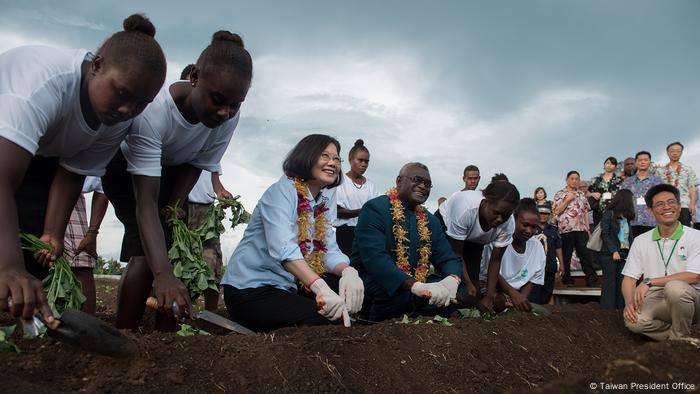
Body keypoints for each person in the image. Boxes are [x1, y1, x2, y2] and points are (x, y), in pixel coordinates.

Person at [0, 14, 166, 322]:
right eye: (122, 93)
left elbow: (73, 171)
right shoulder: (41, 84)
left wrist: (51, 232)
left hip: (38, 156)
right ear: (97, 65)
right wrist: (8, 267)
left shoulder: (115, 120)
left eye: (141, 103)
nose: (128, 109)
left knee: (34, 256)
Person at [102, 31, 253, 330]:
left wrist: (173, 206)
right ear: (195, 77)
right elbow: (145, 204)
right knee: (147, 255)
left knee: (175, 251)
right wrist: (163, 276)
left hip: (174, 168)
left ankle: (166, 340)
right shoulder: (155, 112)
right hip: (125, 169)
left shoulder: (228, 116)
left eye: (235, 105)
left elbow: (198, 162)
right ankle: (123, 333)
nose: (225, 112)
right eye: (218, 100)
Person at [221, 134, 364, 331]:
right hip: (250, 291)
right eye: (325, 156)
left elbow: (328, 250)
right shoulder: (281, 191)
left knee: (352, 294)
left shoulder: (322, 202)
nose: (333, 163)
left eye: (337, 158)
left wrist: (349, 272)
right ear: (306, 156)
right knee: (329, 319)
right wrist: (321, 287)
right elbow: (284, 249)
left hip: (286, 287)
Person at [351, 162, 474, 321]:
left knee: (461, 292)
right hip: (377, 280)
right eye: (417, 180)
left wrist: (451, 280)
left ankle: (418, 313)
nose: (423, 186)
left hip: (417, 282)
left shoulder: (430, 221)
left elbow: (448, 258)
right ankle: (373, 322)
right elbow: (376, 260)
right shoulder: (375, 209)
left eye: (428, 184)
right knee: (394, 294)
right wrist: (416, 286)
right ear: (399, 181)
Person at [622, 184, 700, 340]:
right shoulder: (641, 241)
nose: (667, 207)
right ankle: (681, 334)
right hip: (658, 297)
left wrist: (650, 281)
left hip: (692, 298)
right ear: (651, 211)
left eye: (671, 202)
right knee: (634, 321)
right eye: (660, 204)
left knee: (675, 288)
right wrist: (629, 303)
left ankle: (679, 341)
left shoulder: (695, 236)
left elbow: (694, 276)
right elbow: (629, 278)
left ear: (678, 206)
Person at [439, 179, 520, 311]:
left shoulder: (508, 223)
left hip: (475, 238)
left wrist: (488, 297)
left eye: (505, 215)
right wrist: (468, 283)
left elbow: (495, 260)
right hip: (446, 227)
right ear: (486, 201)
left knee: (474, 290)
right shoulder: (465, 209)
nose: (500, 219)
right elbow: (457, 253)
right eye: (496, 212)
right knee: (454, 279)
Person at [479, 199, 546, 312]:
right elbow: (491, 271)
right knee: (498, 304)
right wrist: (512, 294)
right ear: (514, 220)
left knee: (544, 314)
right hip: (491, 289)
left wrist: (521, 299)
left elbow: (533, 278)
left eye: (534, 227)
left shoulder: (537, 246)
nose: (529, 231)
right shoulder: (497, 241)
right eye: (525, 225)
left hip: (516, 295)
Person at [63, 176, 110, 314]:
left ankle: (87, 326)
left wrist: (92, 233)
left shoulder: (95, 160)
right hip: (28, 187)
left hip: (70, 192)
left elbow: (103, 186)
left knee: (81, 262)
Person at [333, 139, 378, 257]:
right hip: (345, 234)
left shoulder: (370, 185)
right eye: (360, 160)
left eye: (367, 161)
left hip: (366, 234)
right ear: (350, 160)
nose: (364, 164)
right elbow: (338, 211)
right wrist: (364, 211)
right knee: (347, 268)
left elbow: (375, 211)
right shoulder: (340, 181)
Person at [553, 171, 597, 287]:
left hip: (581, 229)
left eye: (577, 179)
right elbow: (556, 211)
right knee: (566, 256)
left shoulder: (581, 194)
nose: (574, 181)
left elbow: (586, 212)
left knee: (586, 256)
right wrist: (567, 200)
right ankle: (567, 281)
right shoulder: (560, 194)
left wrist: (588, 230)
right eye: (572, 178)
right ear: (567, 180)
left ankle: (592, 281)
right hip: (566, 229)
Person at [598, 189, 635, 310]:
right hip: (609, 254)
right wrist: (614, 251)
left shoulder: (627, 217)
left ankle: (620, 310)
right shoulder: (609, 213)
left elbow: (629, 237)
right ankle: (607, 311)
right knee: (610, 284)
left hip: (624, 253)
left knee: (622, 284)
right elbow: (605, 233)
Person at [621, 151, 662, 244]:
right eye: (640, 160)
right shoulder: (628, 182)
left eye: (645, 160)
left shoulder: (657, 181)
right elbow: (623, 200)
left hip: (652, 220)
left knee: (653, 247)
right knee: (636, 248)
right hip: (632, 221)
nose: (643, 162)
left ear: (650, 162)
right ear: (636, 163)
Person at [654, 142, 697, 227]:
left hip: (683, 205)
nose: (675, 153)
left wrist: (692, 204)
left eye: (678, 151)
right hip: (665, 206)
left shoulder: (688, 169)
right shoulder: (659, 171)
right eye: (672, 151)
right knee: (667, 228)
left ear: (681, 153)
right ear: (668, 153)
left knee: (684, 229)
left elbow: (692, 187)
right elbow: (656, 189)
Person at [528, 204, 564, 305]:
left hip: (549, 265)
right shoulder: (531, 228)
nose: (543, 216)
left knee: (548, 291)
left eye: (546, 214)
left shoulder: (554, 229)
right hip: (534, 266)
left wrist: (561, 264)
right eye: (541, 214)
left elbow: (558, 247)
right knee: (534, 292)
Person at [589, 157, 624, 227]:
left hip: (614, 211)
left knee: (613, 233)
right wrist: (592, 194)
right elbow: (587, 193)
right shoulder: (596, 180)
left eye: (612, 164)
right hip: (598, 211)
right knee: (599, 233)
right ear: (604, 165)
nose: (609, 165)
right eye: (607, 163)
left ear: (615, 167)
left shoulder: (619, 180)